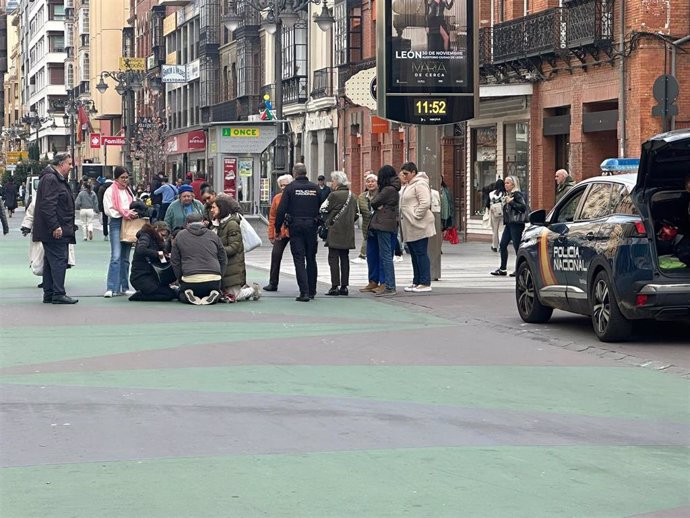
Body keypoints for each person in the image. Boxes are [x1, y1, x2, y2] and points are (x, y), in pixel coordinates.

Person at [33, 153, 78, 304]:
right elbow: (48, 205)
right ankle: (58, 293)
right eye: (69, 164)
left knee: (50, 261)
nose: (71, 167)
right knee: (59, 260)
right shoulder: (52, 179)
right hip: (55, 229)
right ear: (60, 164)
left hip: (55, 227)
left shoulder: (52, 178)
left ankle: (50, 293)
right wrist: (55, 226)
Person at [275, 163, 320, 302]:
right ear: (306, 172)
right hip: (312, 226)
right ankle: (312, 290)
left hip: (296, 226)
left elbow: (281, 210)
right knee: (311, 258)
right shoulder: (315, 187)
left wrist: (278, 229)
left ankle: (304, 292)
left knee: (299, 259)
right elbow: (322, 206)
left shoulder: (290, 188)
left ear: (294, 174)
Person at [211, 195, 260, 302]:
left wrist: (217, 251)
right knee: (225, 293)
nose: (212, 210)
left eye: (214, 207)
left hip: (232, 266)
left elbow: (234, 247)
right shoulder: (216, 224)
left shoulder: (232, 224)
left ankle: (253, 290)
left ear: (221, 208)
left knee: (234, 295)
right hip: (223, 265)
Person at [170, 212, 227, 305]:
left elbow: (175, 261)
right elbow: (223, 258)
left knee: (181, 295)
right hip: (214, 278)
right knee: (215, 291)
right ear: (202, 222)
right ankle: (214, 294)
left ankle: (187, 294)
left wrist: (180, 278)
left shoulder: (180, 236)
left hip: (190, 278)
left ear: (187, 223)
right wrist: (220, 275)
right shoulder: (213, 235)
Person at [399, 162, 436, 293]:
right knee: (414, 253)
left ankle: (425, 282)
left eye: (406, 174)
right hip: (410, 225)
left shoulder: (420, 184)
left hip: (419, 224)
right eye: (402, 173)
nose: (403, 176)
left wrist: (416, 215)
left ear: (413, 172)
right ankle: (417, 281)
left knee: (420, 252)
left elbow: (425, 202)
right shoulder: (408, 185)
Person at [365, 164, 401, 296]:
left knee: (385, 256)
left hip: (383, 225)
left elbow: (374, 201)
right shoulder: (394, 188)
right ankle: (387, 284)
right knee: (385, 255)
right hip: (389, 224)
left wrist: (379, 205)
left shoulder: (387, 190)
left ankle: (389, 286)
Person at [320, 171, 358, 296]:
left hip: (335, 230)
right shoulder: (352, 195)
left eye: (333, 181)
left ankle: (334, 286)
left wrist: (328, 221)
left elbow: (323, 209)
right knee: (344, 258)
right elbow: (356, 214)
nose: (331, 183)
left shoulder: (333, 195)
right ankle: (344, 286)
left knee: (333, 258)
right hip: (348, 231)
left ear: (337, 182)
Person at [103, 166, 138, 298]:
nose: (124, 180)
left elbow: (133, 204)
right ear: (116, 178)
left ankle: (124, 286)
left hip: (128, 223)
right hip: (117, 222)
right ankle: (111, 287)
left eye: (126, 177)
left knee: (125, 257)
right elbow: (109, 210)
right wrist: (125, 213)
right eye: (122, 177)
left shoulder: (128, 191)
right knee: (116, 256)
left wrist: (131, 213)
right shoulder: (110, 191)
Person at [128, 221, 178, 301]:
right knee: (168, 295)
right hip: (141, 277)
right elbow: (141, 250)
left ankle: (143, 294)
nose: (163, 238)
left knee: (171, 294)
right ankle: (140, 296)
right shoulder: (145, 236)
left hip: (151, 276)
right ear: (156, 229)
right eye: (162, 235)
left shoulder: (157, 241)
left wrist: (167, 257)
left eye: (165, 237)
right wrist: (159, 254)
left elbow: (162, 262)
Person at [491, 176, 527, 277]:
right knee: (502, 244)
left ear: (513, 184)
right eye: (505, 183)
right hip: (509, 223)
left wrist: (511, 202)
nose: (505, 185)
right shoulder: (508, 194)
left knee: (517, 246)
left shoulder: (517, 194)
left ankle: (520, 269)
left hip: (516, 224)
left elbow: (523, 207)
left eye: (508, 183)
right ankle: (502, 268)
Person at [264, 174, 293, 292]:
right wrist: (271, 234)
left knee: (299, 256)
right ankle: (273, 282)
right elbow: (272, 217)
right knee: (275, 255)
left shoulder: (295, 197)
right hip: (280, 232)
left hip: (293, 230)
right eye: (281, 185)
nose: (283, 187)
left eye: (286, 185)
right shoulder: (277, 198)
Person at [352, 172, 377, 265]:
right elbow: (360, 210)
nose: (370, 183)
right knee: (367, 238)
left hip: (379, 224)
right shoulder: (362, 196)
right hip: (367, 224)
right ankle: (364, 256)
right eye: (368, 182)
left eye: (373, 181)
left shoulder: (381, 194)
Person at [487, 179, 506, 252]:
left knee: (494, 230)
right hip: (502, 213)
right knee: (501, 230)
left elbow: (487, 204)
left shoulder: (491, 194)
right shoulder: (504, 193)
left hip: (494, 213)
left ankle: (494, 246)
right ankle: (502, 246)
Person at [97, 176, 113, 240]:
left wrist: (100, 207)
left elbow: (100, 198)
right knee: (113, 220)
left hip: (104, 206)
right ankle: (113, 233)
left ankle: (105, 234)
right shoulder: (114, 187)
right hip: (113, 206)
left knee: (105, 220)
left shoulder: (102, 187)